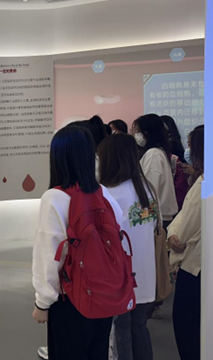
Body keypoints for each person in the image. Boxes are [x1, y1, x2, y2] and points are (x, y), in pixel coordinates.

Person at [32, 125, 124, 360]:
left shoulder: (54, 198)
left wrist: (43, 302)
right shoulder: (102, 193)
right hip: (103, 295)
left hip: (71, 299)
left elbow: (50, 255)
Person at [98, 134, 157, 360]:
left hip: (120, 274)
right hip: (145, 272)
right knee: (139, 326)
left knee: (121, 328)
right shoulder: (146, 188)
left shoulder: (107, 193)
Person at [167, 125, 204, 360]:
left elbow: (186, 226)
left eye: (191, 146)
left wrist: (174, 239)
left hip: (195, 268)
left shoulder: (204, 183)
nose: (188, 151)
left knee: (188, 328)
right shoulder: (201, 180)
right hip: (197, 264)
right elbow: (183, 217)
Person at [132, 115, 178, 225]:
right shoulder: (157, 152)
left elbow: (149, 189)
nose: (136, 135)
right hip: (157, 214)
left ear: (147, 132)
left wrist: (140, 217)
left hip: (156, 217)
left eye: (138, 131)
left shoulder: (153, 154)